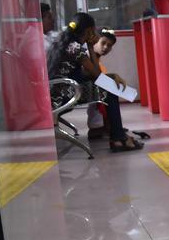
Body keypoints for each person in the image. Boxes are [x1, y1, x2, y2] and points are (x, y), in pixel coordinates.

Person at [46, 13, 141, 153]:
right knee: (109, 89)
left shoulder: (65, 43)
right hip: (63, 95)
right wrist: (91, 47)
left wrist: (111, 75)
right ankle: (118, 138)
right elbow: (97, 76)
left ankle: (118, 135)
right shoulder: (76, 48)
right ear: (89, 31)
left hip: (58, 92)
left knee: (109, 83)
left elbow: (91, 75)